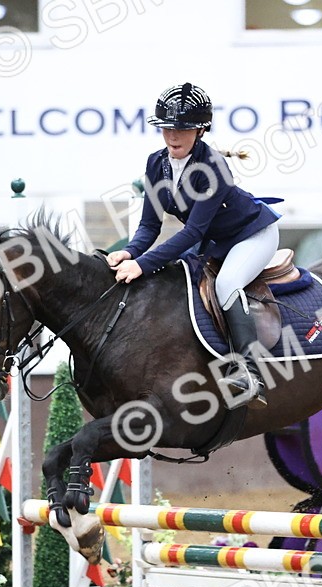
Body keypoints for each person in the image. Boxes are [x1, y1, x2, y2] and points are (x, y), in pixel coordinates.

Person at [105, 82, 280, 409]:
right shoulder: (156, 164)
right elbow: (149, 225)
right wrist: (130, 252)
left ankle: (249, 372)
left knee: (227, 284)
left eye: (182, 129)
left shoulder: (212, 167)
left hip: (251, 235)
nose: (173, 136)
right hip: (214, 242)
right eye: (166, 128)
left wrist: (142, 265)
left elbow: (192, 232)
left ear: (200, 130)